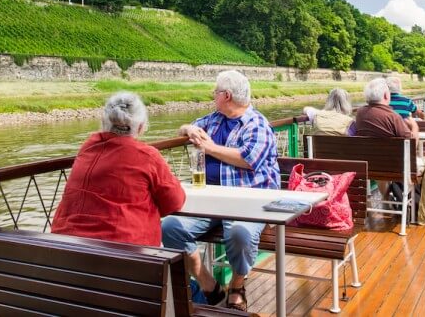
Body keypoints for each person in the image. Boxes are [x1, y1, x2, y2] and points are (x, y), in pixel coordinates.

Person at [162, 70, 279, 312]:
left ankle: (237, 286)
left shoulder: (258, 124)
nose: (213, 96)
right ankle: (208, 283)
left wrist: (210, 147)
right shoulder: (214, 118)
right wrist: (188, 130)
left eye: (215, 92)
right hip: (211, 199)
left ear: (226, 95)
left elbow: (247, 159)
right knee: (169, 227)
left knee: (239, 232)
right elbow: (187, 127)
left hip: (249, 200)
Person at [52, 92, 185, 247]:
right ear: (141, 127)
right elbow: (174, 202)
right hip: (126, 256)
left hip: (64, 250)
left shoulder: (88, 147)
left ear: (104, 121)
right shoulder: (147, 155)